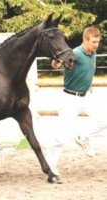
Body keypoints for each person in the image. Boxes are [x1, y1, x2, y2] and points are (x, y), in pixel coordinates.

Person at [45, 26, 103, 176]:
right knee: (61, 137)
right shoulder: (75, 53)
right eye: (94, 41)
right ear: (85, 40)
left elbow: (89, 71)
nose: (96, 45)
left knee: (104, 120)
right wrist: (56, 62)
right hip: (69, 98)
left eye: (98, 41)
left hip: (86, 96)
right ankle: (50, 166)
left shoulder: (93, 54)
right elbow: (55, 65)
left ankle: (83, 137)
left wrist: (89, 84)